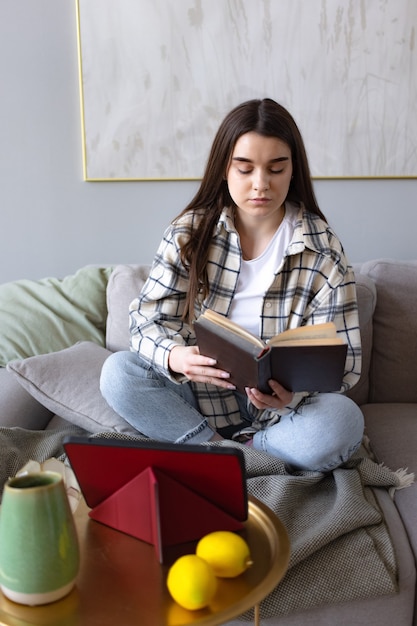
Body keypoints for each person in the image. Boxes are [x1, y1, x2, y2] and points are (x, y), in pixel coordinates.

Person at [100, 98, 364, 472]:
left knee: (344, 421)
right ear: (225, 170)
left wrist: (290, 397)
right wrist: (175, 358)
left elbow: (347, 364)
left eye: (276, 168)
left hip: (281, 417)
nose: (261, 184)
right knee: (118, 373)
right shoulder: (189, 233)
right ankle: (224, 451)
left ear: (294, 171)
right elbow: (145, 323)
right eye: (245, 169)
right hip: (198, 402)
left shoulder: (324, 251)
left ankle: (229, 456)